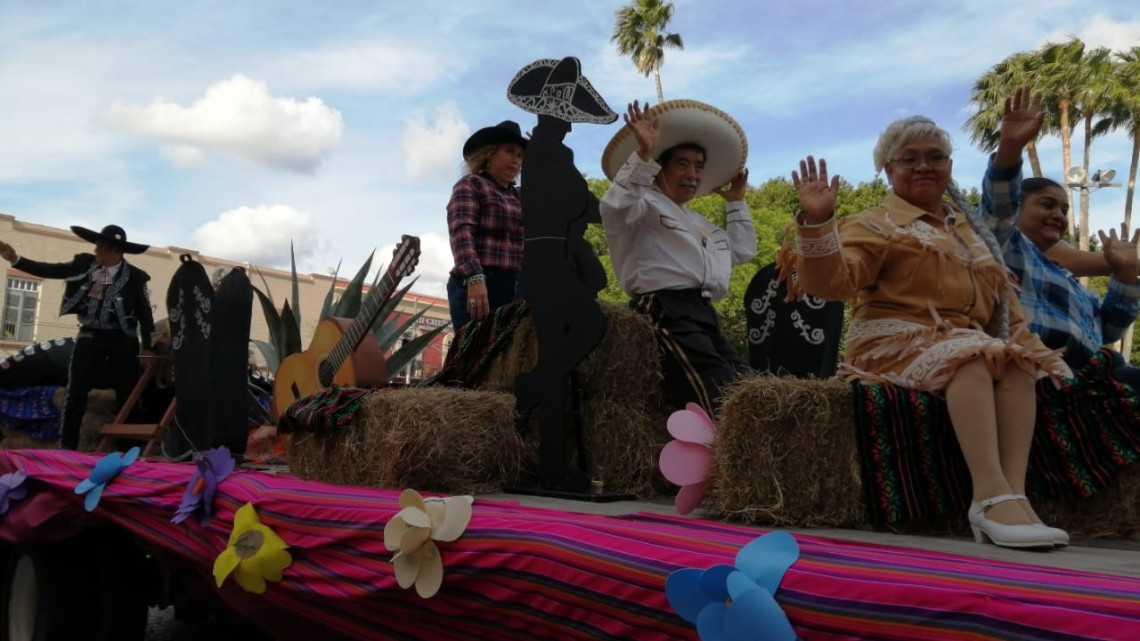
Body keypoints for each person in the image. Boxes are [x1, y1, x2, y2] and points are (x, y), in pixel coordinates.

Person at [786, 87, 1071, 549]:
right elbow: (830, 285)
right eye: (909, 158)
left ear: (950, 168)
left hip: (967, 341)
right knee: (975, 356)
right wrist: (818, 223)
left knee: (1016, 361)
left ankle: (1015, 497)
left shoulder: (972, 233)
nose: (924, 165)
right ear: (888, 170)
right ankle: (988, 496)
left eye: (935, 156)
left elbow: (1008, 319)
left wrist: (1046, 359)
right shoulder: (874, 222)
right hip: (890, 340)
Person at [599, 100, 754, 412]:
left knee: (748, 385)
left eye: (699, 166)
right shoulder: (643, 205)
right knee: (719, 392)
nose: (692, 174)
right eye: (682, 164)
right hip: (664, 308)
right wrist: (643, 154)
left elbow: (742, 251)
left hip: (703, 312)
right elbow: (612, 209)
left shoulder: (702, 223)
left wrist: (736, 203)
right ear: (660, 170)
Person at [982, 158, 1140, 382]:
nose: (1059, 215)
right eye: (1047, 205)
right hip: (1042, 365)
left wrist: (1125, 275)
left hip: (1096, 372)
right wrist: (1010, 149)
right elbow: (998, 202)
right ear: (1014, 208)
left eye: (1064, 210)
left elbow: (1110, 331)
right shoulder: (1007, 250)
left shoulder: (1070, 281)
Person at [0, 224, 155, 450]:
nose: (96, 251)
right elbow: (51, 270)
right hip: (90, 336)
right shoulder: (84, 265)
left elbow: (146, 315)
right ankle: (68, 446)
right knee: (76, 389)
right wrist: (16, 259)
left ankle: (128, 449)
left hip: (122, 338)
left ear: (115, 251)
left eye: (100, 247)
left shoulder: (136, 278)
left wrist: (148, 347)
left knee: (126, 391)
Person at [446, 120, 528, 330]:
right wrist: (475, 278)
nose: (515, 161)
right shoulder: (471, 184)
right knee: (476, 357)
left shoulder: (520, 197)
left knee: (511, 358)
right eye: (509, 152)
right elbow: (462, 232)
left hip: (516, 287)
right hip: (479, 282)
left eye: (520, 155)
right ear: (489, 154)